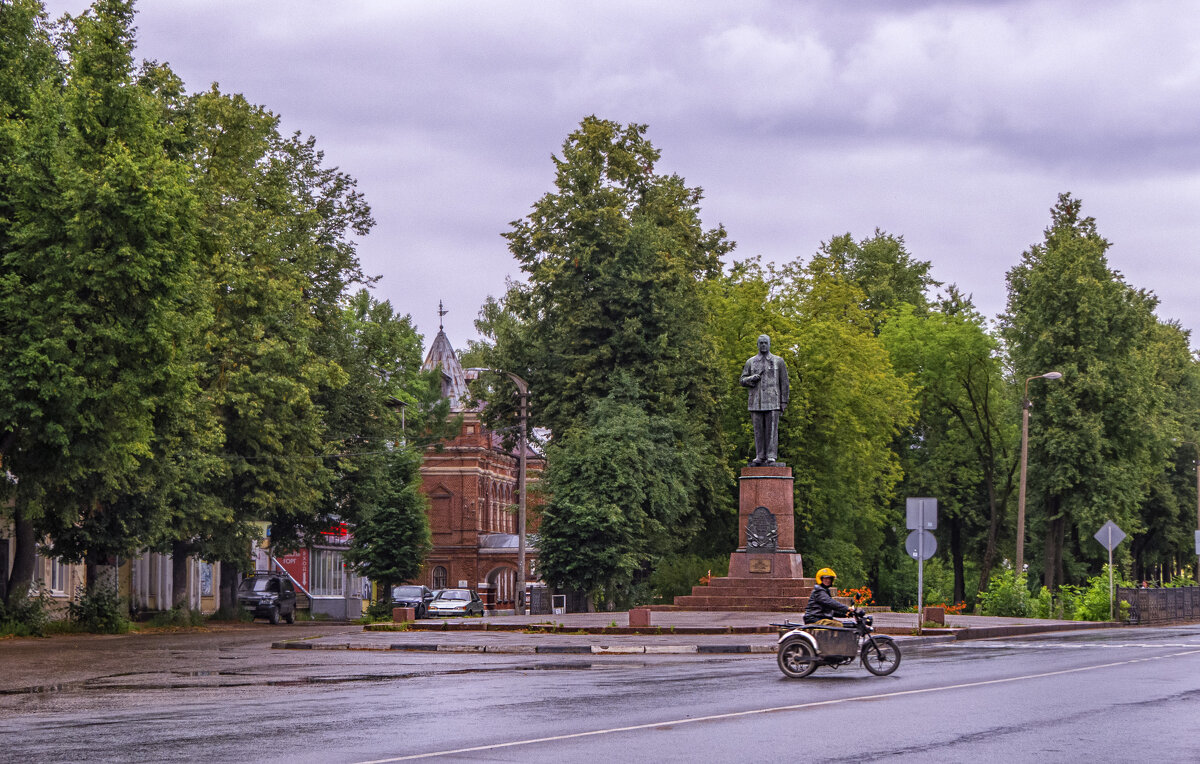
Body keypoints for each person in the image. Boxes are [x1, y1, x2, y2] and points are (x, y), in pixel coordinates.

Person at [740, 334, 789, 466]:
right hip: (756, 401)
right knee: (758, 430)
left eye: (765, 343)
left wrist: (784, 401)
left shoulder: (778, 361)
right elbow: (742, 380)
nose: (763, 345)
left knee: (772, 430)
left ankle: (771, 456)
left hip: (773, 401)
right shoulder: (750, 362)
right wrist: (751, 379)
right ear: (757, 345)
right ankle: (760, 455)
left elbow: (784, 383)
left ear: (769, 344)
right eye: (760, 343)